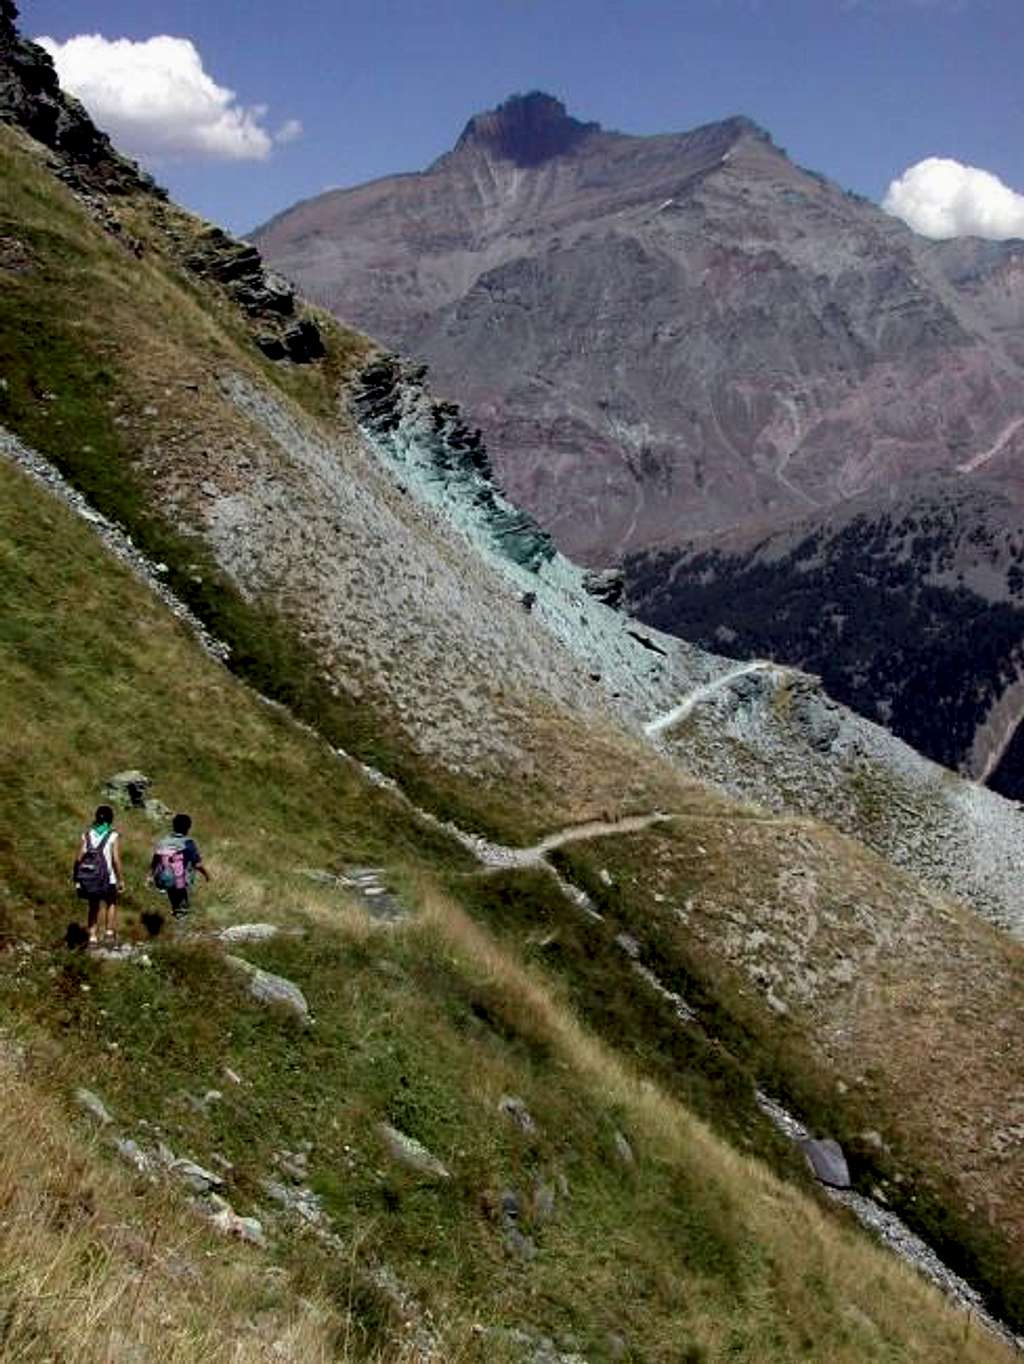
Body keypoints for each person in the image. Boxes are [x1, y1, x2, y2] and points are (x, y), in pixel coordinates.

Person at [73, 804, 124, 944]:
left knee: (93, 905)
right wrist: (121, 879)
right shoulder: (113, 835)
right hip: (108, 877)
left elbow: (79, 858)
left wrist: (76, 877)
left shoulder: (87, 834)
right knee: (111, 902)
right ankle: (108, 933)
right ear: (110, 819)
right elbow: (115, 859)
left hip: (90, 877)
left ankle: (92, 937)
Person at [151, 813, 210, 920]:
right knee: (182, 901)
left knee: (173, 893)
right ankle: (181, 915)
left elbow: (155, 861)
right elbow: (197, 864)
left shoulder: (163, 842)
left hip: (162, 879)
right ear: (188, 828)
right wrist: (207, 875)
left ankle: (176, 911)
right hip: (180, 880)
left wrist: (151, 876)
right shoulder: (188, 843)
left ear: (173, 826)